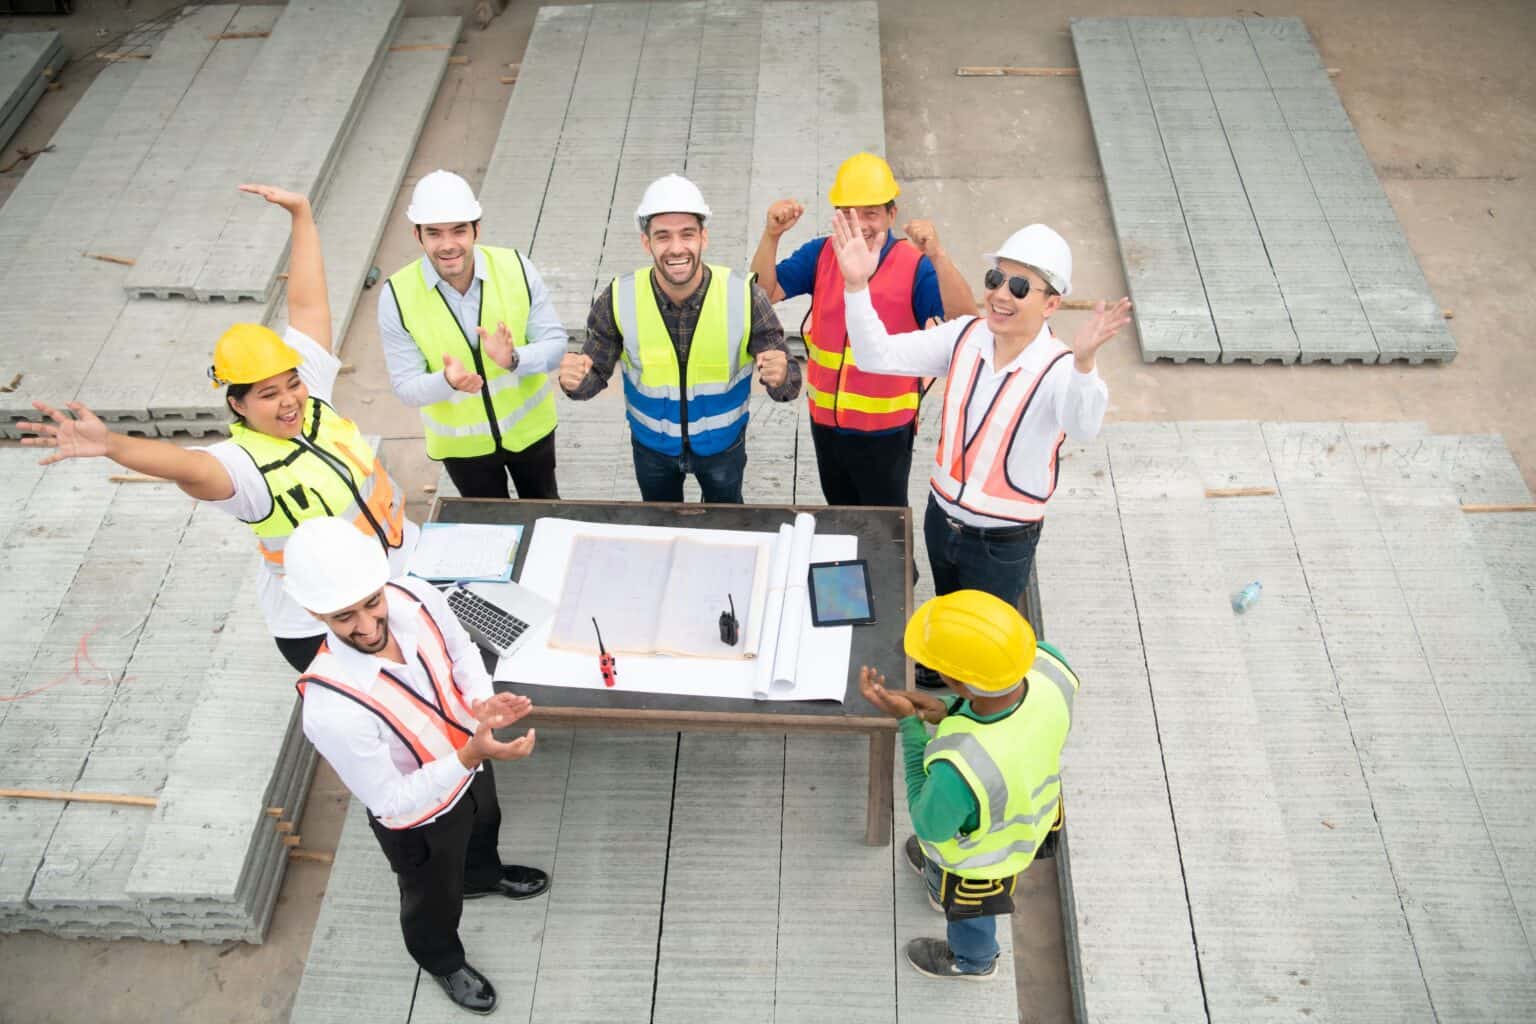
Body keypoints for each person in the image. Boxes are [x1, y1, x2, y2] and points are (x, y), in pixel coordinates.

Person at [18, 184, 416, 673]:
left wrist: (302, 217)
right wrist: (112, 445)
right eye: (269, 395)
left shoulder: (312, 401)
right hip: (319, 626)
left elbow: (309, 307)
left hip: (385, 581)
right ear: (238, 404)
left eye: (291, 384)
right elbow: (186, 466)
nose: (289, 399)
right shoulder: (242, 469)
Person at [831, 212, 1130, 684]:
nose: (999, 294)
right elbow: (876, 356)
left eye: (1018, 286)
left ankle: (976, 707)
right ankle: (937, 678)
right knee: (950, 616)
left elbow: (1083, 423)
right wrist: (855, 286)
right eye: (995, 279)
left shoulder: (1060, 369)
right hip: (941, 517)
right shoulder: (965, 336)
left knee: (984, 646)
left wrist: (1085, 362)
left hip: (1001, 541)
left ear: (1050, 305)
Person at [284, 516, 551, 1016]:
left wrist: (480, 707)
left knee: (484, 822)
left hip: (471, 759)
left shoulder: (414, 596)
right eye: (344, 617)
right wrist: (471, 754)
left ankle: (481, 875)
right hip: (419, 821)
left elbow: (462, 651)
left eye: (370, 602)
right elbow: (390, 801)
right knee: (430, 894)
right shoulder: (331, 707)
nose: (366, 626)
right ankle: (441, 957)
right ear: (312, 610)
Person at [859, 589, 1079, 980]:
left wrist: (910, 725)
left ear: (957, 680)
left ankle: (974, 962)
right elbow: (1005, 707)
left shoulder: (962, 766)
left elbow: (929, 824)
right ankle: (933, 875)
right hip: (1035, 809)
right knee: (949, 866)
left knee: (971, 916)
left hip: (981, 861)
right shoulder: (1050, 665)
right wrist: (949, 708)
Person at [559, 174, 801, 503]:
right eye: (663, 236)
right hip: (651, 450)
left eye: (687, 234)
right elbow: (594, 373)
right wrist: (575, 382)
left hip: (723, 449)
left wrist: (784, 375)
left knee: (725, 525)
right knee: (661, 527)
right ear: (647, 243)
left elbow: (788, 385)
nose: (676, 248)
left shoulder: (743, 296)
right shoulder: (619, 297)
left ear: (704, 237)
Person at [750, 152, 974, 507]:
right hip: (825, 423)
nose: (861, 224)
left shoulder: (914, 267)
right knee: (841, 514)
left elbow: (966, 319)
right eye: (849, 214)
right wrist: (771, 235)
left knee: (886, 528)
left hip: (885, 432)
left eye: (871, 213)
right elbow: (764, 292)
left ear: (892, 214)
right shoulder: (822, 253)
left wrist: (938, 255)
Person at [379, 170, 568, 500]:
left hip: (530, 434)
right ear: (418, 235)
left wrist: (514, 358)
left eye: (459, 231)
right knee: (490, 530)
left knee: (544, 512)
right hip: (464, 450)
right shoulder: (396, 296)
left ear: (476, 229)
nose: (448, 244)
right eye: (434, 233)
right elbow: (406, 386)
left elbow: (555, 345)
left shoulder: (515, 267)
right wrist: (446, 382)